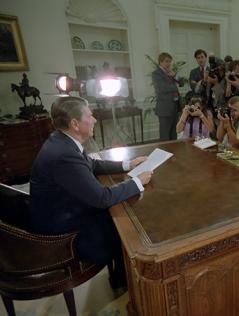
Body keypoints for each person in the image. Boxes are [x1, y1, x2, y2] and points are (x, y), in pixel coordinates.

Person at [29, 96, 153, 288]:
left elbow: (91, 164)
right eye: (90, 115)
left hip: (65, 210)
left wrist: (127, 164)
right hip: (63, 233)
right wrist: (138, 181)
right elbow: (102, 198)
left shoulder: (63, 141)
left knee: (122, 217)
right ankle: (128, 282)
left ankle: (121, 278)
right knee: (128, 231)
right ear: (75, 124)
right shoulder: (64, 154)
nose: (94, 119)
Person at [152, 52, 181, 141]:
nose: (169, 64)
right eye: (166, 61)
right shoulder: (156, 73)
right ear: (160, 62)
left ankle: (174, 153)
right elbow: (162, 88)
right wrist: (175, 87)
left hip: (175, 107)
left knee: (174, 134)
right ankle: (164, 154)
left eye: (170, 62)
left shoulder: (171, 72)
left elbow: (182, 83)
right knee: (165, 135)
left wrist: (175, 75)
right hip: (164, 109)